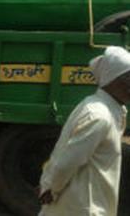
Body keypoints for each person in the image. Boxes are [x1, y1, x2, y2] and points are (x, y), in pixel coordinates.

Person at [39, 46, 130, 216]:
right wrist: (51, 189)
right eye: (128, 78)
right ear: (112, 79)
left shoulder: (102, 108)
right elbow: (67, 162)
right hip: (84, 207)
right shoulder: (100, 117)